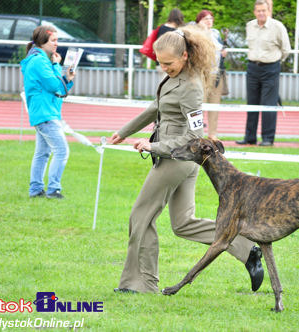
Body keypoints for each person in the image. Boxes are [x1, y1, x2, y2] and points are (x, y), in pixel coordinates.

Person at [109, 25, 264, 294]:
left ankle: (142, 284)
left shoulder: (191, 86)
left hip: (176, 160)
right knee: (183, 224)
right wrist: (123, 132)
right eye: (160, 64)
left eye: (168, 63)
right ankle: (246, 248)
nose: (164, 68)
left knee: (140, 216)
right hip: (178, 160)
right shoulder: (173, 78)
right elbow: (153, 109)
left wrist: (153, 145)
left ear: (184, 57)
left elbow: (195, 137)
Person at [20, 26, 75, 198]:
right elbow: (54, 86)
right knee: (62, 151)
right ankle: (53, 189)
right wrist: (57, 67)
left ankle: (36, 189)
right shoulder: (39, 61)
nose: (57, 44)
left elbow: (58, 87)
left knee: (43, 153)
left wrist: (66, 78)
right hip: (45, 113)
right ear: (43, 42)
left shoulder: (39, 59)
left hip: (45, 111)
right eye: (54, 41)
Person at [236, 0, 290, 146]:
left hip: (271, 68)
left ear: (268, 11)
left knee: (268, 104)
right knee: (251, 103)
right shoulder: (250, 26)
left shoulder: (277, 26)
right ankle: (250, 137)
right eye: (258, 11)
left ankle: (267, 138)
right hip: (253, 67)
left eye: (264, 11)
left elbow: (286, 49)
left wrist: (275, 62)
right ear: (255, 12)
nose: (261, 13)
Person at [196, 10, 228, 140]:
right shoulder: (197, 33)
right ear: (199, 21)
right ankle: (198, 133)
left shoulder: (215, 33)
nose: (209, 21)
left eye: (210, 19)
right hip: (202, 74)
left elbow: (219, 48)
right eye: (205, 19)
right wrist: (202, 29)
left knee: (215, 104)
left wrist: (223, 53)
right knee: (199, 104)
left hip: (217, 73)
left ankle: (212, 133)